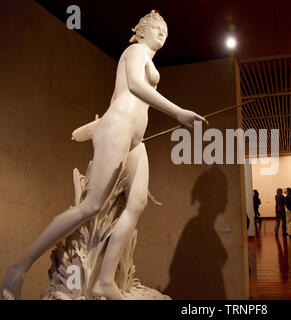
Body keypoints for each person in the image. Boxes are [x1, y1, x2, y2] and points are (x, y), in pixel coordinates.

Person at [1, 10, 207, 300]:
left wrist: (94, 126)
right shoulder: (135, 50)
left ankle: (106, 281)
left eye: (166, 30)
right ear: (141, 31)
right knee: (91, 206)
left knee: (136, 204)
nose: (163, 32)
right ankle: (19, 268)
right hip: (120, 127)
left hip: (136, 138)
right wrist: (177, 112)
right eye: (157, 27)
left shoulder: (147, 56)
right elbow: (133, 86)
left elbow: (118, 96)